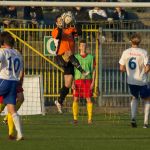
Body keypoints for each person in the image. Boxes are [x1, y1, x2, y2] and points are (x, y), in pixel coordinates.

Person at [51, 12, 89, 113]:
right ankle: (82, 70)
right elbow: (58, 36)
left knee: (67, 85)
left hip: (71, 60)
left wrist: (75, 22)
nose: (61, 21)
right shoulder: (55, 31)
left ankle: (59, 101)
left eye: (61, 20)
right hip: (61, 57)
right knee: (68, 53)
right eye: (59, 21)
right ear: (56, 23)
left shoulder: (70, 30)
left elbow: (79, 33)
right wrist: (60, 27)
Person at [119, 33, 150, 128]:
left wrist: (128, 71)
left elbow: (121, 68)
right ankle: (145, 122)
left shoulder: (126, 52)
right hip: (142, 80)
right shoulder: (143, 52)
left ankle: (133, 118)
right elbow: (147, 68)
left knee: (134, 97)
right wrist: (145, 71)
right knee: (147, 99)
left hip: (131, 81)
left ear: (130, 41)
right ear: (139, 41)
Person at [0, 31, 24, 140]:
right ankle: (19, 133)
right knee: (12, 109)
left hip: (4, 80)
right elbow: (21, 71)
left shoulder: (3, 51)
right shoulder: (18, 54)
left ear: (3, 42)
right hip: (14, 82)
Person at [72, 39, 96, 124]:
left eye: (85, 45)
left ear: (87, 47)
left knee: (88, 99)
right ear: (79, 47)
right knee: (75, 98)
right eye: (81, 45)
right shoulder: (75, 57)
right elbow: (72, 71)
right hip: (78, 80)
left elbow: (93, 71)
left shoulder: (91, 57)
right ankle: (75, 119)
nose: (83, 47)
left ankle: (89, 119)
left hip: (87, 81)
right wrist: (72, 82)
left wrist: (93, 82)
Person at [0, 70, 24, 140]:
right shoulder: (18, 60)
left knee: (13, 107)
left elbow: (21, 74)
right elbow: (21, 74)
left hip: (10, 82)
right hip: (10, 83)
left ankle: (11, 134)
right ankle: (12, 133)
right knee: (10, 107)